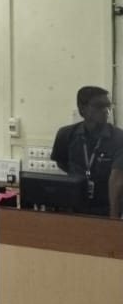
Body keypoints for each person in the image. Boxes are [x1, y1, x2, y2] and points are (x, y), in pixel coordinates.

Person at [51, 86, 123, 218]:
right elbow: (62, 163)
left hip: (105, 207)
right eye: (99, 106)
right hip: (72, 207)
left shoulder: (118, 138)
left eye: (108, 106)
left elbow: (117, 179)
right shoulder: (66, 134)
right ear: (82, 109)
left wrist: (113, 219)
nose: (106, 110)